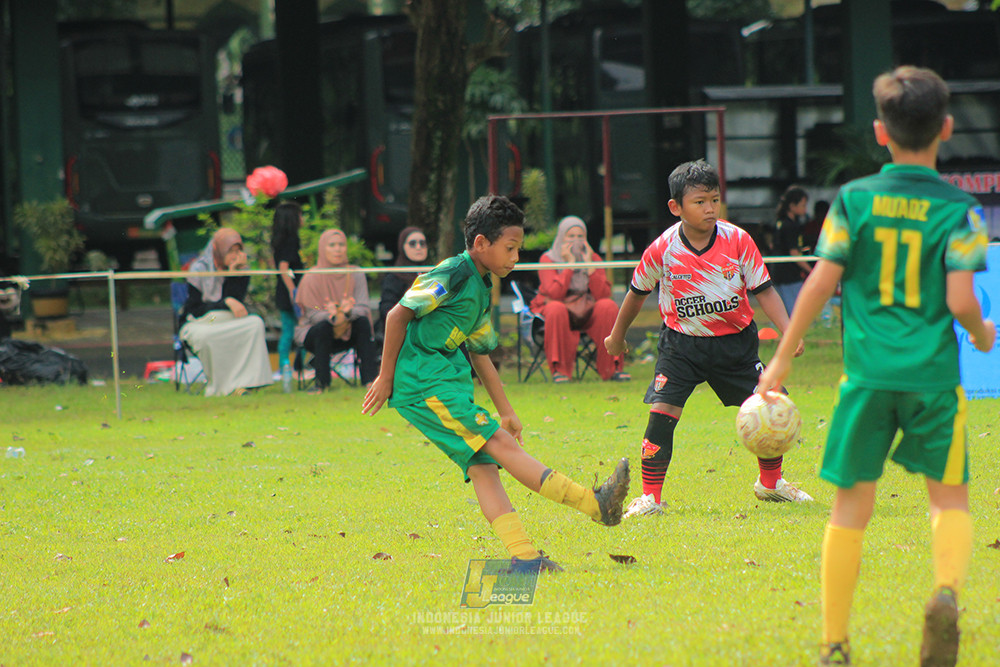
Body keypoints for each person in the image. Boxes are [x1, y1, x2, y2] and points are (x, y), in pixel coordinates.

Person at [756, 66, 995, 667]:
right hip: (934, 381)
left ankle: (835, 643)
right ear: (945, 129)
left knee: (849, 510)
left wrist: (780, 360)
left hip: (865, 379)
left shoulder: (855, 200)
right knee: (948, 501)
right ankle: (945, 592)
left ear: (880, 133)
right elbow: (963, 300)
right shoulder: (962, 210)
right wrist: (982, 332)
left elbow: (818, 286)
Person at [362, 195, 631, 571]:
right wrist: (385, 377)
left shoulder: (482, 281)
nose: (515, 258)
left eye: (519, 249)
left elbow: (480, 352)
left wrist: (507, 410)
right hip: (424, 386)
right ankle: (594, 503)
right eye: (510, 248)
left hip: (448, 382)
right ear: (481, 244)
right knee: (500, 445)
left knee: (484, 467)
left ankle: (523, 559)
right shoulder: (453, 274)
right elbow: (397, 315)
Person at [604, 159, 812, 520]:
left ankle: (771, 483)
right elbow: (636, 293)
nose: (710, 208)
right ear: (676, 207)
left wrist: (788, 330)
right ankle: (650, 497)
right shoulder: (663, 249)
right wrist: (616, 336)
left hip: (735, 345)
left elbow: (763, 290)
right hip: (681, 346)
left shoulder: (738, 241)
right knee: (662, 412)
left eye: (714, 199)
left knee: (772, 407)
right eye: (700, 201)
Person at [530, 215, 629, 383]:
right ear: (561, 237)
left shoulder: (593, 258)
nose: (576, 241)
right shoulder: (547, 259)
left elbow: (603, 294)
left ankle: (612, 369)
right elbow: (554, 294)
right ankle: (559, 371)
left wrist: (589, 265)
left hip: (587, 308)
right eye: (571, 236)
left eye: (580, 236)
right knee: (556, 308)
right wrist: (569, 265)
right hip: (559, 309)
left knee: (608, 306)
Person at [180, 228, 273, 397]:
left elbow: (236, 301)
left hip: (229, 320)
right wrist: (225, 302)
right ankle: (222, 386)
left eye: (238, 251)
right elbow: (195, 309)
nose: (235, 255)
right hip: (202, 320)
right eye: (231, 251)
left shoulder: (241, 269)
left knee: (255, 323)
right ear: (218, 250)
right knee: (206, 336)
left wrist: (234, 274)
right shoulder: (199, 268)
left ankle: (247, 383)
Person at [294, 229, 378, 392]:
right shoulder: (312, 276)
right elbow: (312, 313)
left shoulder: (355, 273)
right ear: (323, 248)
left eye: (341, 245)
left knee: (362, 323)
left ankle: (370, 381)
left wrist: (346, 313)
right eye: (332, 245)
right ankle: (322, 384)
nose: (338, 249)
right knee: (323, 327)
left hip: (348, 328)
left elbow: (363, 307)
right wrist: (332, 315)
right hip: (316, 333)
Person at [376, 226, 428, 343]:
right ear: (402, 246)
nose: (418, 247)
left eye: (422, 243)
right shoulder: (394, 277)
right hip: (404, 331)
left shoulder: (433, 275)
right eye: (412, 243)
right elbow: (386, 310)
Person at [271, 201, 304, 380]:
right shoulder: (290, 240)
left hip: (283, 292)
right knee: (300, 328)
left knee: (288, 330)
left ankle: (285, 365)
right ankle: (294, 366)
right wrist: (294, 292)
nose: (302, 219)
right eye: (300, 215)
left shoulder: (278, 240)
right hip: (292, 293)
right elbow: (284, 268)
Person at [769, 185, 813, 314]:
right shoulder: (790, 226)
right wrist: (811, 271)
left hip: (777, 272)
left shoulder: (779, 222)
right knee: (796, 313)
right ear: (792, 206)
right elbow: (794, 253)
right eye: (803, 205)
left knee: (783, 313)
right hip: (789, 276)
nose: (805, 209)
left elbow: (773, 245)